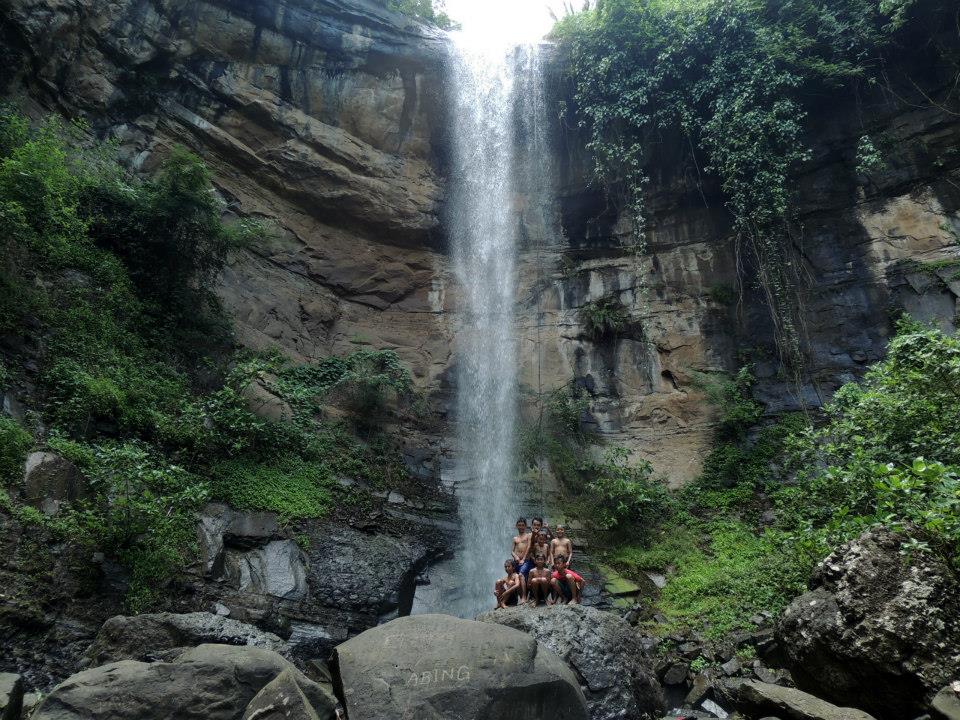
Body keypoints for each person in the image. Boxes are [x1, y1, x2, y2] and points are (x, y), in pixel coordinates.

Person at [511, 517, 534, 601]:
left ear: (525, 526)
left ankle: (524, 597)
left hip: (526, 561)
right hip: (516, 561)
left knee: (521, 575)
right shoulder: (515, 538)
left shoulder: (528, 536)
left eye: (523, 525)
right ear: (516, 526)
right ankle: (519, 597)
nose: (521, 527)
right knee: (515, 577)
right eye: (519, 525)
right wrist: (516, 557)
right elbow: (512, 551)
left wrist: (523, 559)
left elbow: (528, 547)